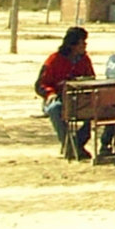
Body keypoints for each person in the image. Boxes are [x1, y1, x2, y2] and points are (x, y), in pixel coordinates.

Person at [37, 27, 96, 159]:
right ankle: (69, 145)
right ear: (73, 45)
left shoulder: (84, 59)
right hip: (59, 98)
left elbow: (91, 77)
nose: (85, 46)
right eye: (82, 43)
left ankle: (76, 144)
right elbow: (40, 84)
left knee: (95, 110)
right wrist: (50, 93)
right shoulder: (54, 59)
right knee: (54, 109)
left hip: (80, 98)